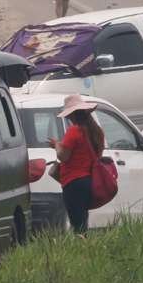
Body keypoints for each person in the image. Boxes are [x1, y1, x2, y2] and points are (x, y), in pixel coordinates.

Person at [49, 94, 103, 234]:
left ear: (71, 115)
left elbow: (63, 156)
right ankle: (85, 248)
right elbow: (98, 155)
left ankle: (82, 250)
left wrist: (56, 145)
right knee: (83, 219)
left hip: (72, 182)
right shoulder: (97, 132)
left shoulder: (74, 131)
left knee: (77, 224)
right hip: (89, 181)